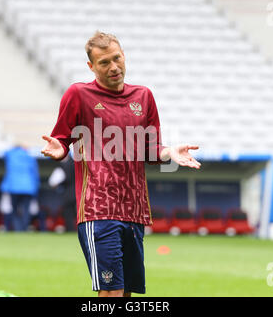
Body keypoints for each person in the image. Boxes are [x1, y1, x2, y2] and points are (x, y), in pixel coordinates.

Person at [41, 32, 200, 297]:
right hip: (98, 208)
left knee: (126, 292)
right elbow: (61, 139)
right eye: (104, 62)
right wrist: (59, 149)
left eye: (117, 58)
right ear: (92, 67)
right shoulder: (78, 94)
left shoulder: (144, 96)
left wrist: (170, 151)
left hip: (134, 211)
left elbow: (148, 150)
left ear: (124, 55)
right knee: (112, 292)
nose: (114, 67)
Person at [0, 144, 40, 232]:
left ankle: (18, 229)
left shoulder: (11, 155)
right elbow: (35, 174)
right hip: (29, 187)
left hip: (13, 187)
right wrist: (36, 188)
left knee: (14, 210)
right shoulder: (30, 157)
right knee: (26, 210)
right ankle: (25, 228)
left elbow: (4, 153)